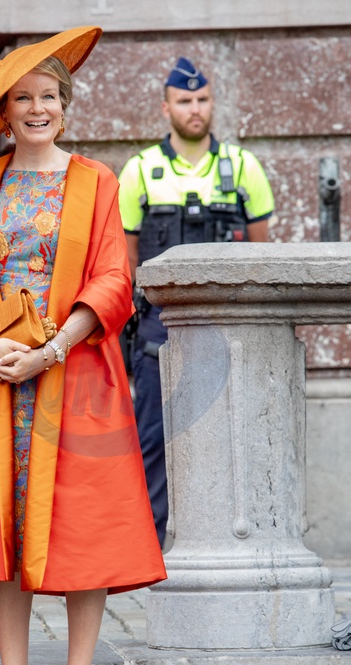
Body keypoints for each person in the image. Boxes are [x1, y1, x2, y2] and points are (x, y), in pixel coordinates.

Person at [0, 26, 166, 665]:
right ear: (3, 113)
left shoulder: (96, 182)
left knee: (83, 536)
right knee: (5, 537)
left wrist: (52, 349)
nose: (37, 108)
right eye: (23, 98)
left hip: (76, 377)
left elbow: (114, 279)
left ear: (66, 103)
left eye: (49, 96)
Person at [118, 57, 275, 547]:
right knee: (153, 440)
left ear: (212, 104)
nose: (195, 108)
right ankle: (149, 550)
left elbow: (263, 259)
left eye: (202, 99)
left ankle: (240, 545)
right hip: (157, 330)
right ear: (166, 108)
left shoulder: (243, 167)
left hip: (232, 329)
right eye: (184, 100)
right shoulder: (141, 171)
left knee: (240, 438)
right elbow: (125, 265)